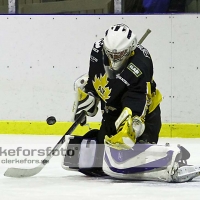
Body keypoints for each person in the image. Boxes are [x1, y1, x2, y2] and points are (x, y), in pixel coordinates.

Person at [73, 23, 162, 148]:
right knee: (101, 151)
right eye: (110, 53)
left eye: (119, 54)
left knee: (132, 154)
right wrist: (89, 96)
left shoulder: (141, 63)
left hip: (143, 113)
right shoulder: (98, 51)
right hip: (112, 111)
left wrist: (133, 125)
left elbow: (138, 98)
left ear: (130, 48)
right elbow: (94, 76)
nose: (114, 59)